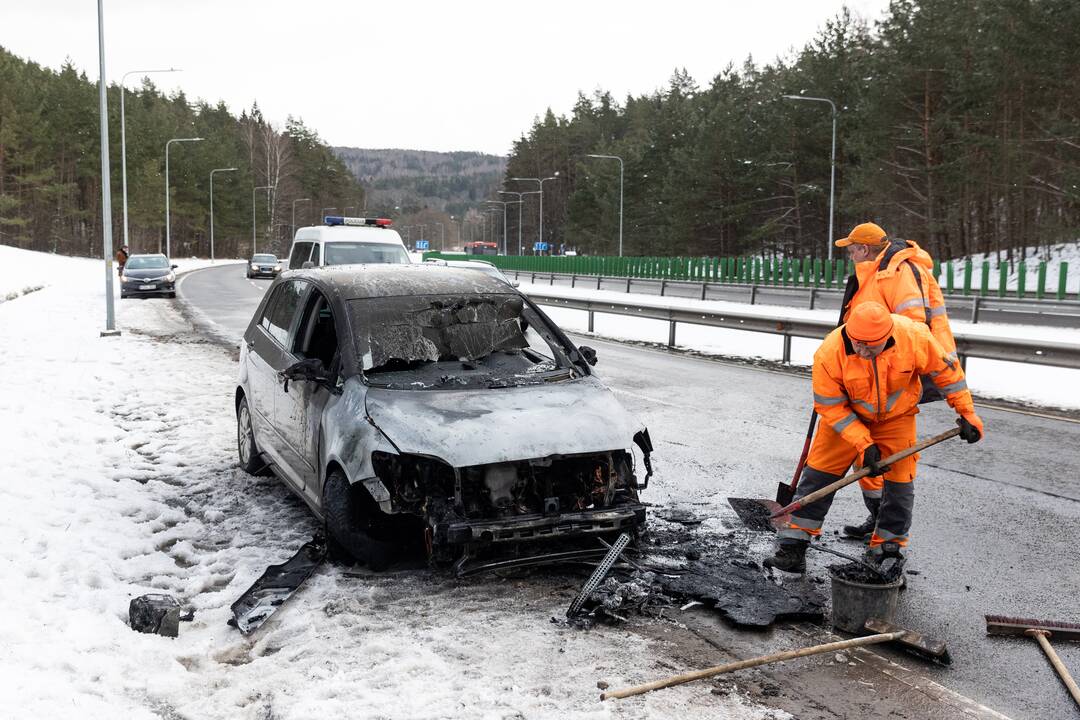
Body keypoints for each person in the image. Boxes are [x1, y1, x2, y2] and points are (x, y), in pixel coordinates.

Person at [763, 301, 984, 574]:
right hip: (845, 421)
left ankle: (887, 551)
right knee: (820, 473)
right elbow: (830, 406)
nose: (863, 351)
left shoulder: (913, 338)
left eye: (871, 346)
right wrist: (863, 442)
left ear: (888, 338)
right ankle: (792, 547)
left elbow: (947, 372)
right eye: (857, 344)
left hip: (896, 419)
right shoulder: (830, 352)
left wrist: (966, 412)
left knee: (900, 484)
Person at [834, 223, 958, 540]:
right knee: (866, 452)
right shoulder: (877, 270)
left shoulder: (898, 271)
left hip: (892, 374)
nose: (849, 254)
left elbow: (911, 328)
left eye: (851, 249)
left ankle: (889, 533)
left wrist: (877, 359)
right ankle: (876, 519)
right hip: (869, 370)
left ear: (864, 249)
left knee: (890, 456)